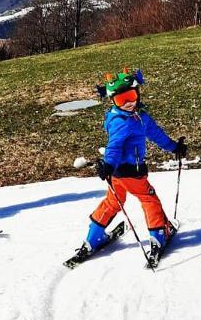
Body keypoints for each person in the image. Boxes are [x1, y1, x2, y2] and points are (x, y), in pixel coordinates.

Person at [80, 69, 187, 261]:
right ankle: (158, 237)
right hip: (131, 172)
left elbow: (156, 134)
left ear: (137, 93)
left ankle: (93, 237)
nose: (129, 103)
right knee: (149, 199)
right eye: (122, 100)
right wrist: (108, 164)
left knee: (112, 202)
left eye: (130, 96)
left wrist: (174, 147)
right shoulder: (122, 122)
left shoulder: (140, 116)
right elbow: (114, 146)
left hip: (117, 175)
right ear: (113, 101)